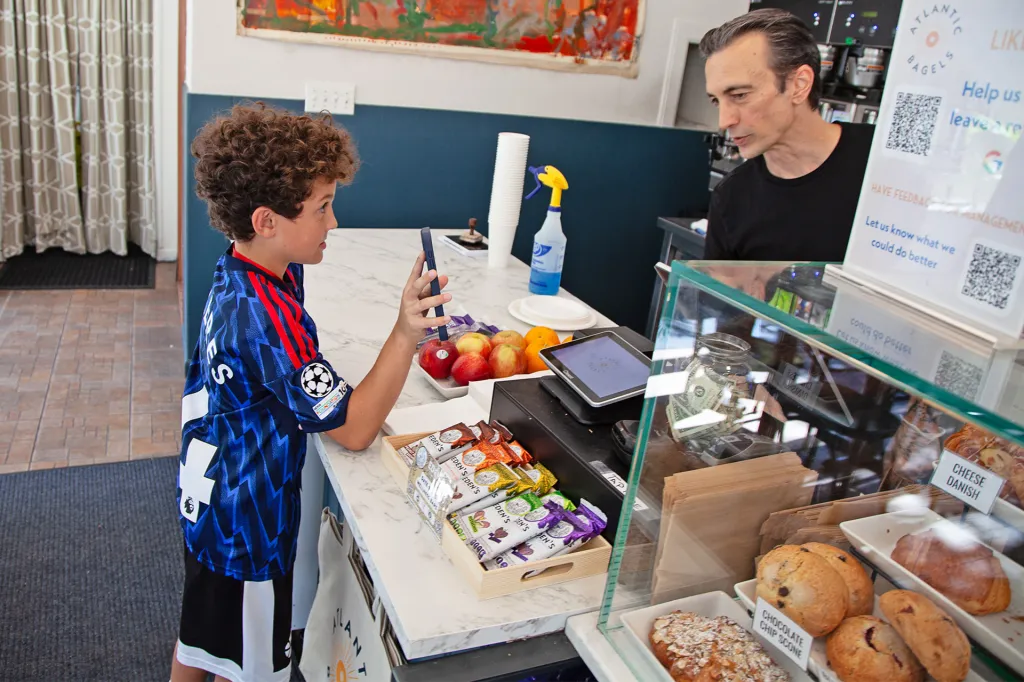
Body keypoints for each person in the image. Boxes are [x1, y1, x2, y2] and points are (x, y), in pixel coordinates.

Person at [171, 104, 451, 682]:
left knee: (203, 640)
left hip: (211, 498)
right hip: (246, 528)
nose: (334, 223)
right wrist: (405, 333)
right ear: (268, 220)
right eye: (323, 208)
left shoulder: (251, 270)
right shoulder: (265, 315)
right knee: (246, 662)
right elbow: (353, 428)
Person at [700, 9, 875, 262]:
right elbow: (716, 299)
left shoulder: (881, 161)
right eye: (717, 101)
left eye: (739, 95)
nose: (725, 121)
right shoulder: (731, 199)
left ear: (798, 84)